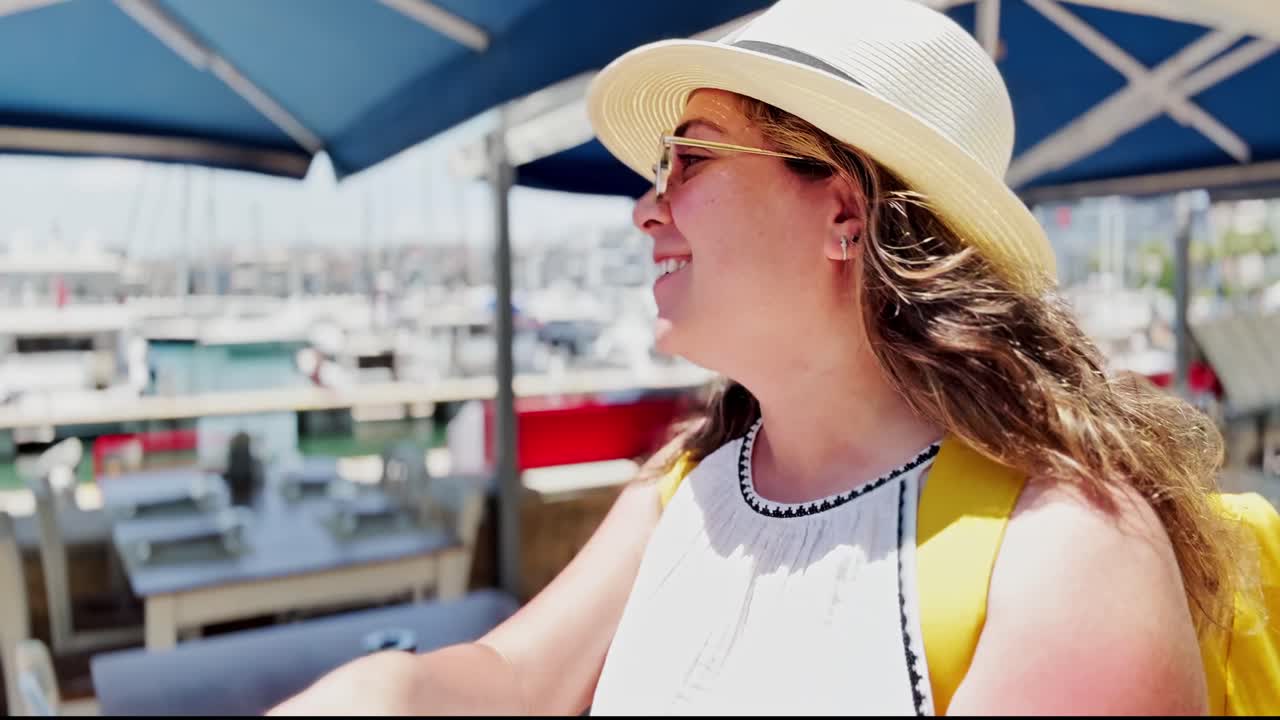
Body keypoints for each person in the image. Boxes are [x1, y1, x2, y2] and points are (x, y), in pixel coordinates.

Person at [270, 0, 1248, 714]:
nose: (646, 208)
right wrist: (385, 691)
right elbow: (510, 681)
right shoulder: (684, 487)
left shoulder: (1068, 552)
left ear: (842, 211)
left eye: (690, 158)